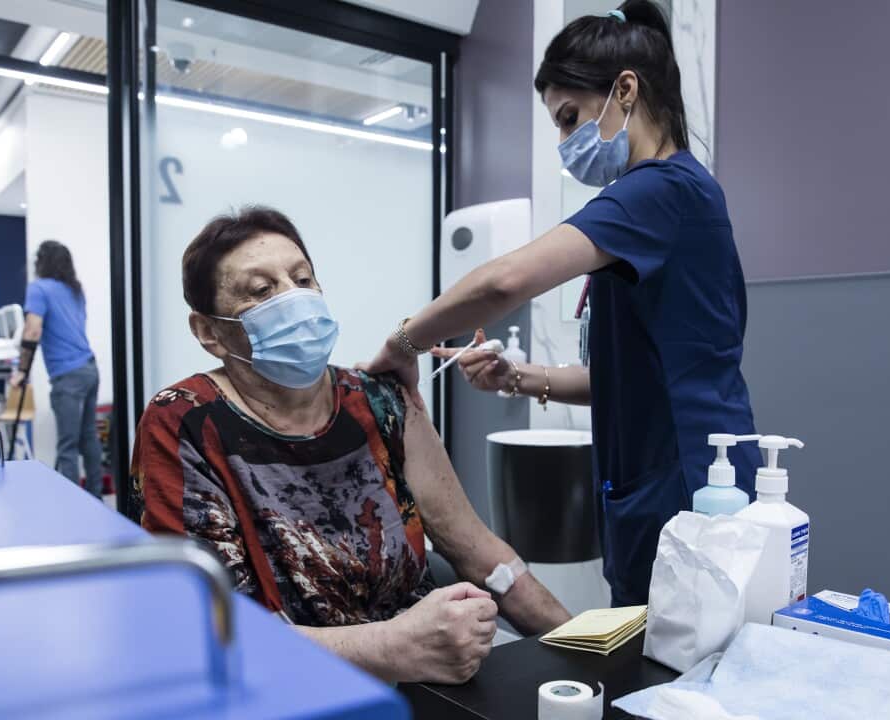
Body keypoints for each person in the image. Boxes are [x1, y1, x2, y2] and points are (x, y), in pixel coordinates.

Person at [363, 1, 761, 607]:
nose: (563, 141)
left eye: (569, 117)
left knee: (673, 669)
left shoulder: (661, 191)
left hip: (686, 481)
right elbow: (627, 379)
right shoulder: (665, 197)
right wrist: (518, 378)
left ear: (625, 90)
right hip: (664, 472)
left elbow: (503, 282)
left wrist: (401, 344)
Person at [131, 206, 570, 685]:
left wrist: (583, 643)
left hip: (428, 675)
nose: (294, 299)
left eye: (303, 279)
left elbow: (481, 554)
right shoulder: (185, 421)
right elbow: (210, 625)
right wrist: (391, 646)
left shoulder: (377, 400)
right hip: (288, 688)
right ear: (208, 332)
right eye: (262, 290)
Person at [12, 241, 104, 497]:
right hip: (89, 368)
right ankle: (95, 498)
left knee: (68, 444)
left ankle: (74, 503)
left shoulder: (38, 288)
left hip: (68, 374)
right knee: (88, 437)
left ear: (41, 262)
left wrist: (21, 370)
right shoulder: (75, 290)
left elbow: (32, 330)